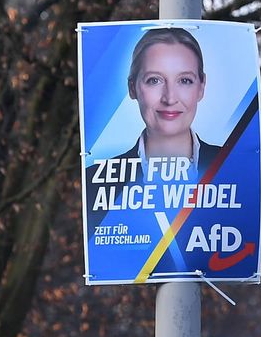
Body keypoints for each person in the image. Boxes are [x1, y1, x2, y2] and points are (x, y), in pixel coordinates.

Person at [84, 27, 222, 240]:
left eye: (184, 80)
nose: (169, 98)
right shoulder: (95, 182)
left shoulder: (232, 168)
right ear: (132, 88)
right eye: (154, 80)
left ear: (201, 87)